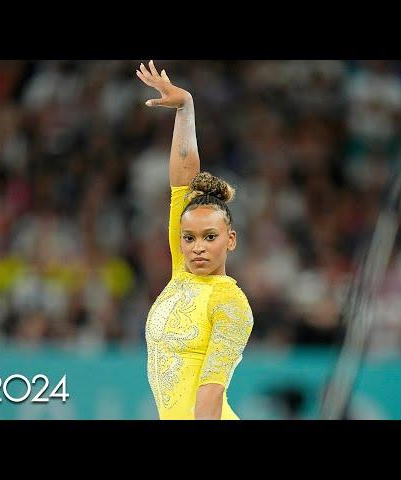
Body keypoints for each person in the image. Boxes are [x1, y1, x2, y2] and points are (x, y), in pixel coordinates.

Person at [138, 60, 254, 420]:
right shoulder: (181, 272)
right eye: (188, 237)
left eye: (210, 237)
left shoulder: (230, 302)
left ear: (230, 240)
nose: (197, 246)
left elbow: (211, 393)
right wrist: (185, 106)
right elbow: (184, 177)